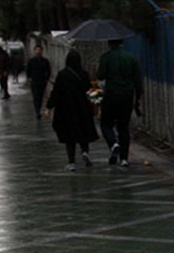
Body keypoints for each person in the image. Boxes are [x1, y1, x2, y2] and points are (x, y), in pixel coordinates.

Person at [46, 49, 99, 171]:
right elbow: (91, 91)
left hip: (66, 109)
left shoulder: (62, 74)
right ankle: (85, 152)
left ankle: (71, 162)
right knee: (83, 132)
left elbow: (56, 93)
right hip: (83, 108)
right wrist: (97, 104)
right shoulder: (84, 74)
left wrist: (49, 106)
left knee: (69, 136)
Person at [97, 38, 143, 167]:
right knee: (123, 127)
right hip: (127, 96)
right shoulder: (131, 58)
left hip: (111, 94)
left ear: (109, 43)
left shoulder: (106, 57)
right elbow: (138, 80)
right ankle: (124, 159)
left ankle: (113, 144)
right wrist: (137, 98)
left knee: (106, 124)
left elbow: (100, 75)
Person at [26, 45, 52, 119]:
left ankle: (38, 109)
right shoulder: (31, 61)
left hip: (42, 81)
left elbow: (48, 70)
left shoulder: (45, 61)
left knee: (40, 96)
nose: (38, 51)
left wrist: (46, 78)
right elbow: (28, 71)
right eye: (37, 50)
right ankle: (37, 111)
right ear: (35, 51)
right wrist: (29, 78)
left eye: (39, 50)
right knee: (36, 96)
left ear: (42, 51)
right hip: (34, 81)